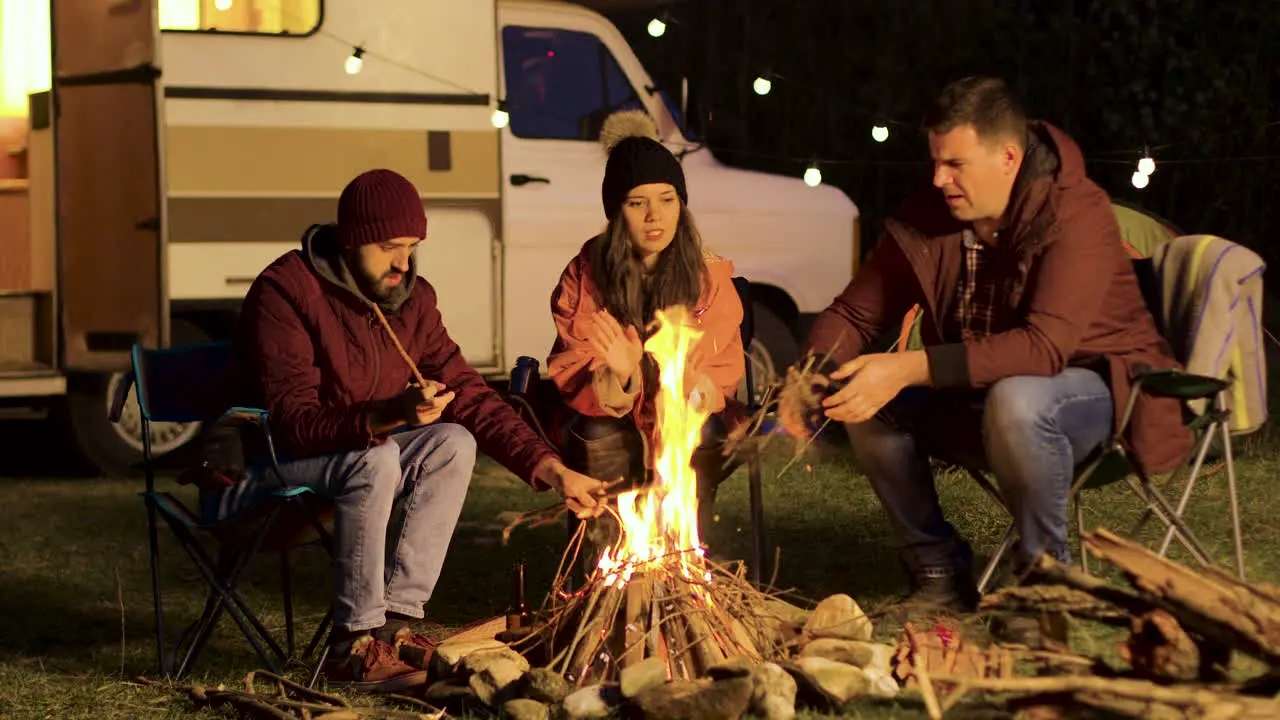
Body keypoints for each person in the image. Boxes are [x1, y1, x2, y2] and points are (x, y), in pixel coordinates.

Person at [782, 77, 1192, 614]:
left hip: (1103, 395)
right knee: (867, 400)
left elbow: (1044, 348)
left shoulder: (1075, 212)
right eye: (935, 161)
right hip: (978, 395)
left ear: (1007, 157)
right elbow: (856, 312)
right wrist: (812, 371)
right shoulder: (930, 215)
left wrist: (910, 366)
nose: (938, 178)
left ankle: (1043, 589)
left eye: (955, 165)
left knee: (1018, 400)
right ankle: (939, 574)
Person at [209, 168, 608, 692]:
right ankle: (351, 645)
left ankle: (396, 624)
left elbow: (470, 393)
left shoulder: (412, 302)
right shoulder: (286, 291)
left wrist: (552, 469)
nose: (404, 261)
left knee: (453, 441)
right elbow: (293, 425)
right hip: (261, 468)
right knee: (375, 457)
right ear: (352, 239)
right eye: (389, 246)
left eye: (413, 245)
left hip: (350, 460)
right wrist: (392, 414)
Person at [546, 110, 746, 544]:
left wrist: (683, 382)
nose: (655, 216)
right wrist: (621, 374)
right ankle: (607, 567)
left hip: (681, 412)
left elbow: (721, 375)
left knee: (698, 431)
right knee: (598, 433)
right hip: (612, 417)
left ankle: (682, 561)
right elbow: (572, 367)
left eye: (667, 199)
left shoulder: (709, 279)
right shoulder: (586, 276)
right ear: (617, 212)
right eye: (638, 202)